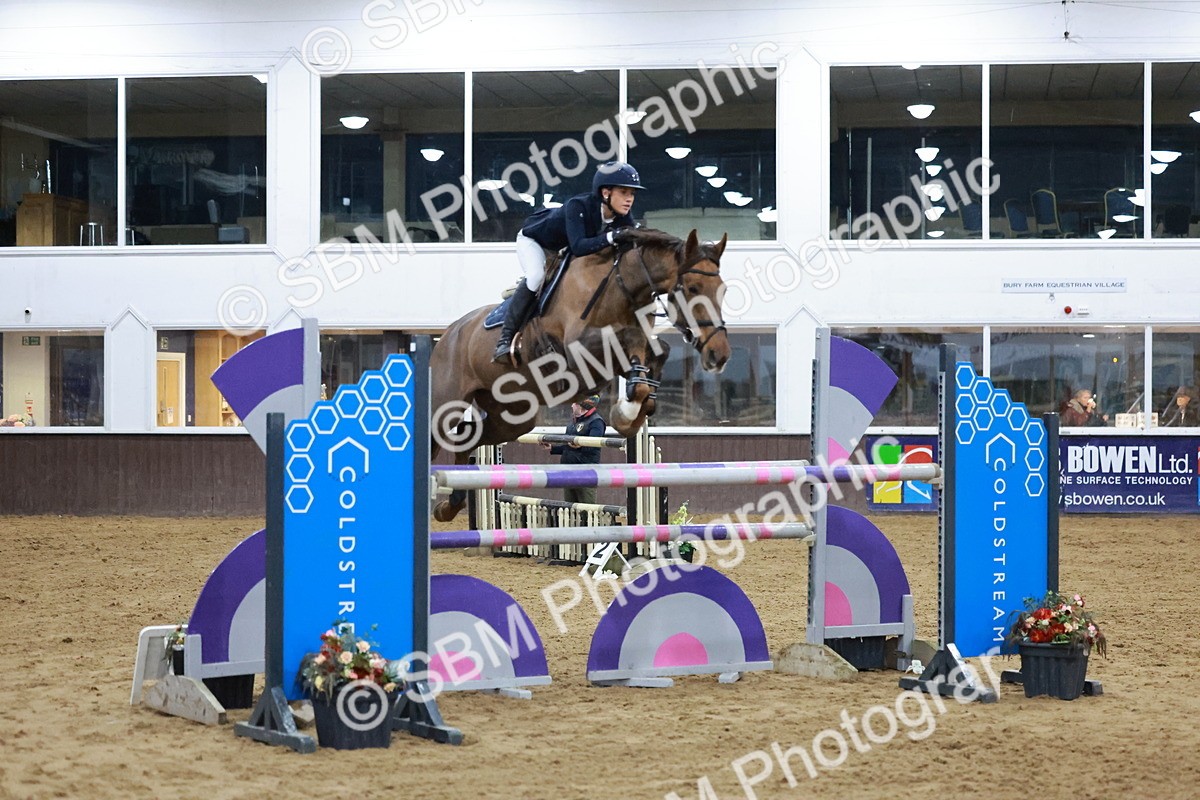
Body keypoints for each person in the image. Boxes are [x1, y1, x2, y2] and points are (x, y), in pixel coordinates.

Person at [492, 161, 646, 363]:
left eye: (632, 194)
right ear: (606, 193)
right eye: (624, 192)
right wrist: (612, 237)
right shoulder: (578, 206)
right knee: (536, 276)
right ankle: (505, 339)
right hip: (536, 241)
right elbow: (579, 247)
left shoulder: (622, 218)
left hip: (564, 249)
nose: (629, 200)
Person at [544, 394, 606, 505]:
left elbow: (592, 445)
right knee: (570, 509)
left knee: (587, 510)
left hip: (586, 474)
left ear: (581, 406)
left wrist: (579, 445)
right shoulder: (573, 423)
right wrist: (553, 447)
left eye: (574, 403)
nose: (572, 406)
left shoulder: (596, 422)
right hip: (569, 472)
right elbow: (568, 447)